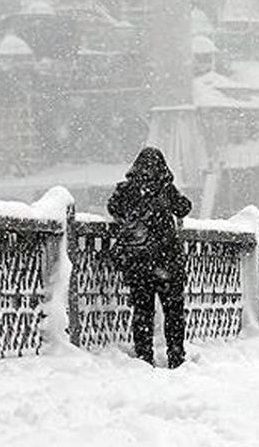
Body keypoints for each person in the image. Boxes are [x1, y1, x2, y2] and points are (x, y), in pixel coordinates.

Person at [106, 147, 193, 369]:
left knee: (142, 312)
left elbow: (113, 208)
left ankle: (144, 357)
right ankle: (176, 356)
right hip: (167, 262)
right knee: (173, 312)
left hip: (138, 262)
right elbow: (184, 208)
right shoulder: (165, 189)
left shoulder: (127, 189)